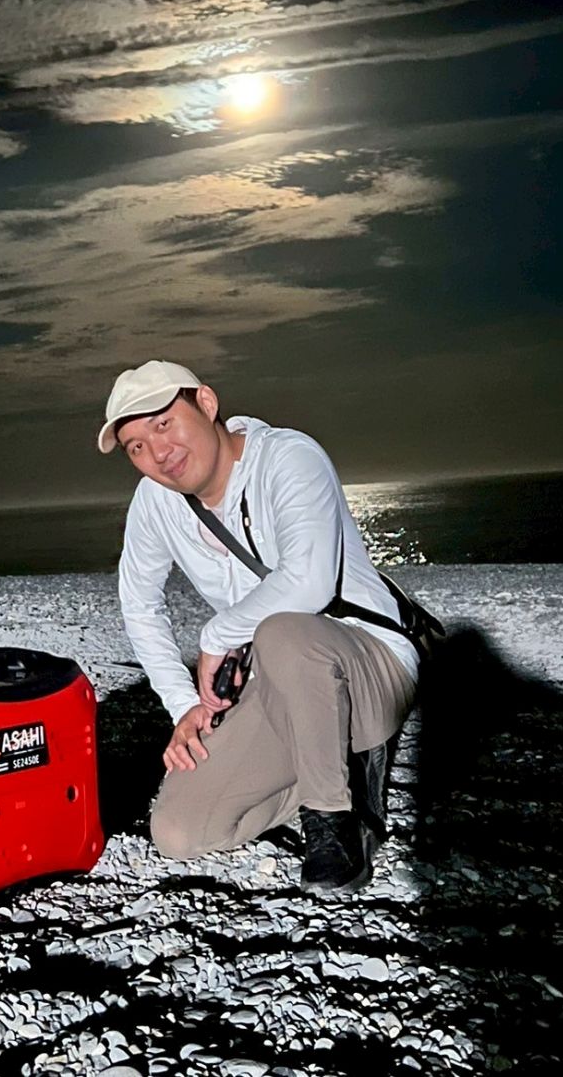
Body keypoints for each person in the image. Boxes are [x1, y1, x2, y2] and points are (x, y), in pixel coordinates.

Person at [98, 359, 419, 895]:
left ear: (206, 403)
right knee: (179, 829)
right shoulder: (155, 502)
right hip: (278, 685)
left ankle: (335, 817)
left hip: (370, 663)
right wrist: (185, 707)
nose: (158, 452)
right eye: (136, 446)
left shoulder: (288, 457)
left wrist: (216, 635)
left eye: (164, 424)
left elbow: (309, 582)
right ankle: (334, 765)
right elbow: (139, 602)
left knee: (283, 633)